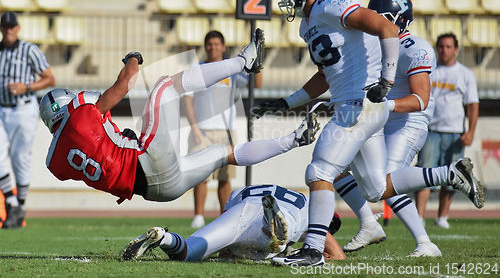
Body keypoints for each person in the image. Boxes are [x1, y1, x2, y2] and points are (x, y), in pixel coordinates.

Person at [252, 0, 484, 266]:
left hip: (359, 103)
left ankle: (312, 250)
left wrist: (387, 81)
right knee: (376, 188)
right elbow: (326, 75)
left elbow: (386, 27)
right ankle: (449, 173)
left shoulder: (331, 1)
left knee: (320, 171)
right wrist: (286, 103)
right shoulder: (310, 22)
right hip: (358, 104)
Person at [39, 29, 320, 205]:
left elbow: (85, 152)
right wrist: (132, 58)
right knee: (163, 85)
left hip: (159, 192)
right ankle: (242, 62)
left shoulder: (55, 162)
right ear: (65, 106)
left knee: (224, 154)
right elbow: (125, 84)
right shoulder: (79, 115)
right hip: (145, 159)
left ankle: (295, 139)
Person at [332, 0, 441, 257]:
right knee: (333, 167)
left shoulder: (413, 48)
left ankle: (427, 238)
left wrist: (384, 105)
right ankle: (369, 224)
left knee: (387, 182)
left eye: (381, 18)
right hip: (378, 122)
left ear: (398, 20)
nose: (374, 23)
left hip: (407, 122)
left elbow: (420, 100)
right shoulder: (372, 48)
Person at [122, 184, 346, 262]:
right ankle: (273, 228)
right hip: (282, 215)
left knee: (189, 252)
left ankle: (163, 237)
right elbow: (337, 255)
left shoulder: (243, 191)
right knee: (276, 247)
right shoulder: (312, 210)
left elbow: (225, 252)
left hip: (242, 207)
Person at [184, 30, 262, 229]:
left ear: (223, 47)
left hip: (226, 132)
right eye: (209, 44)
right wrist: (194, 127)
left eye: (217, 44)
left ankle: (223, 216)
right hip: (201, 131)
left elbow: (257, 84)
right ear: (205, 47)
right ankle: (198, 216)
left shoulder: (232, 70)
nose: (213, 47)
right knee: (200, 177)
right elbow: (188, 100)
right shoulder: (197, 70)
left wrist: (259, 58)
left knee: (224, 179)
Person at [415, 32, 479, 229]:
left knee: (452, 178)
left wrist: (470, 132)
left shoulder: (465, 74)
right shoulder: (430, 71)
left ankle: (442, 217)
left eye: (449, 47)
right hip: (431, 130)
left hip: (454, 133)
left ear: (456, 49)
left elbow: (472, 105)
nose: (444, 50)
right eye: (441, 46)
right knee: (424, 175)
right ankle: (418, 218)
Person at [0, 11, 55, 229]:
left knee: (19, 158)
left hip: (24, 109)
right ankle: (12, 203)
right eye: (5, 26)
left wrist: (27, 87)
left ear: (18, 27)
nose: (8, 29)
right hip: (1, 108)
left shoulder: (29, 50)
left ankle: (19, 207)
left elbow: (50, 78)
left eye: (11, 26)